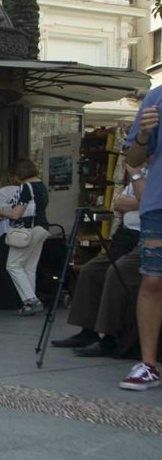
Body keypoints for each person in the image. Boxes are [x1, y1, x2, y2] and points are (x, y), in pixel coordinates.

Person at [53, 165, 143, 358]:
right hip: (126, 233)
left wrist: (133, 202)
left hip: (146, 236)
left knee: (117, 272)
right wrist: (135, 201)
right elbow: (117, 203)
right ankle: (88, 331)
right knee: (90, 270)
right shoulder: (139, 174)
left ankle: (111, 337)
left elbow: (148, 200)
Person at [124, 94, 162, 389]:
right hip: (158, 205)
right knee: (153, 281)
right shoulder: (157, 96)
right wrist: (145, 134)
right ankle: (148, 364)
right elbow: (133, 159)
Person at [0, 159, 51, 316]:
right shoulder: (41, 186)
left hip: (28, 230)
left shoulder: (26, 187)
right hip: (42, 228)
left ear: (18, 174)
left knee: (12, 265)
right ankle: (29, 302)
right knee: (29, 267)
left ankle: (31, 300)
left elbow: (15, 214)